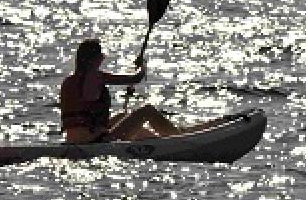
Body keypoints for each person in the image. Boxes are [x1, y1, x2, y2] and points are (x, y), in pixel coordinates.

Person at [59, 39, 214, 143]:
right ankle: (179, 139)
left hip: (73, 140)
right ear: (94, 59)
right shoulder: (96, 77)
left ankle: (156, 140)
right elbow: (136, 78)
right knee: (147, 111)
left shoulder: (68, 82)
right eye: (100, 57)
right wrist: (142, 66)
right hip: (95, 141)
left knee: (123, 116)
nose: (101, 61)